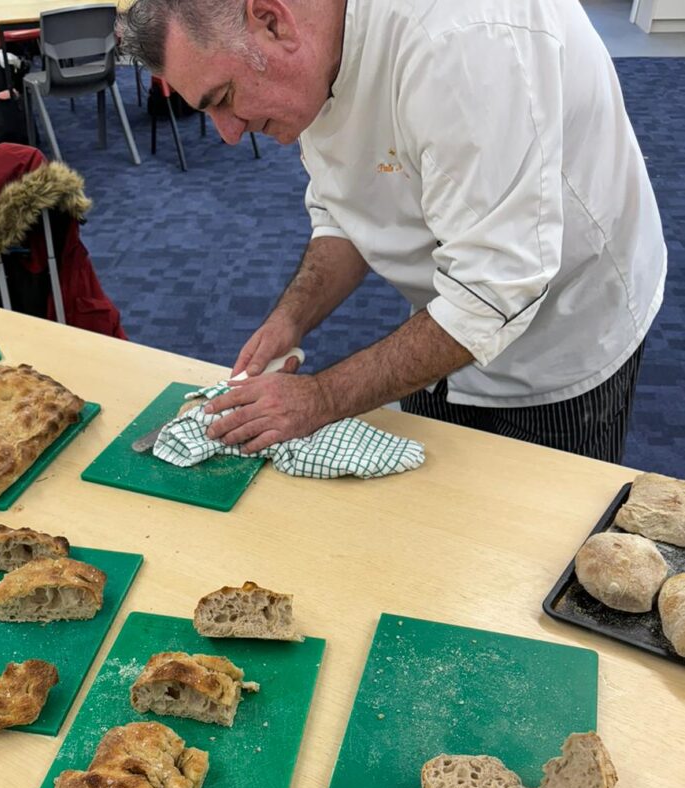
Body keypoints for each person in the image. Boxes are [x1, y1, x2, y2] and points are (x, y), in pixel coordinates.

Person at [117, 0, 666, 462]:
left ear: (272, 20)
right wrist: (291, 319)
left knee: (545, 550)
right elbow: (345, 210)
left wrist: (320, 399)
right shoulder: (312, 47)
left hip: (566, 332)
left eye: (224, 98)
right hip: (449, 305)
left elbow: (494, 289)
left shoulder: (464, 42)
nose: (229, 134)